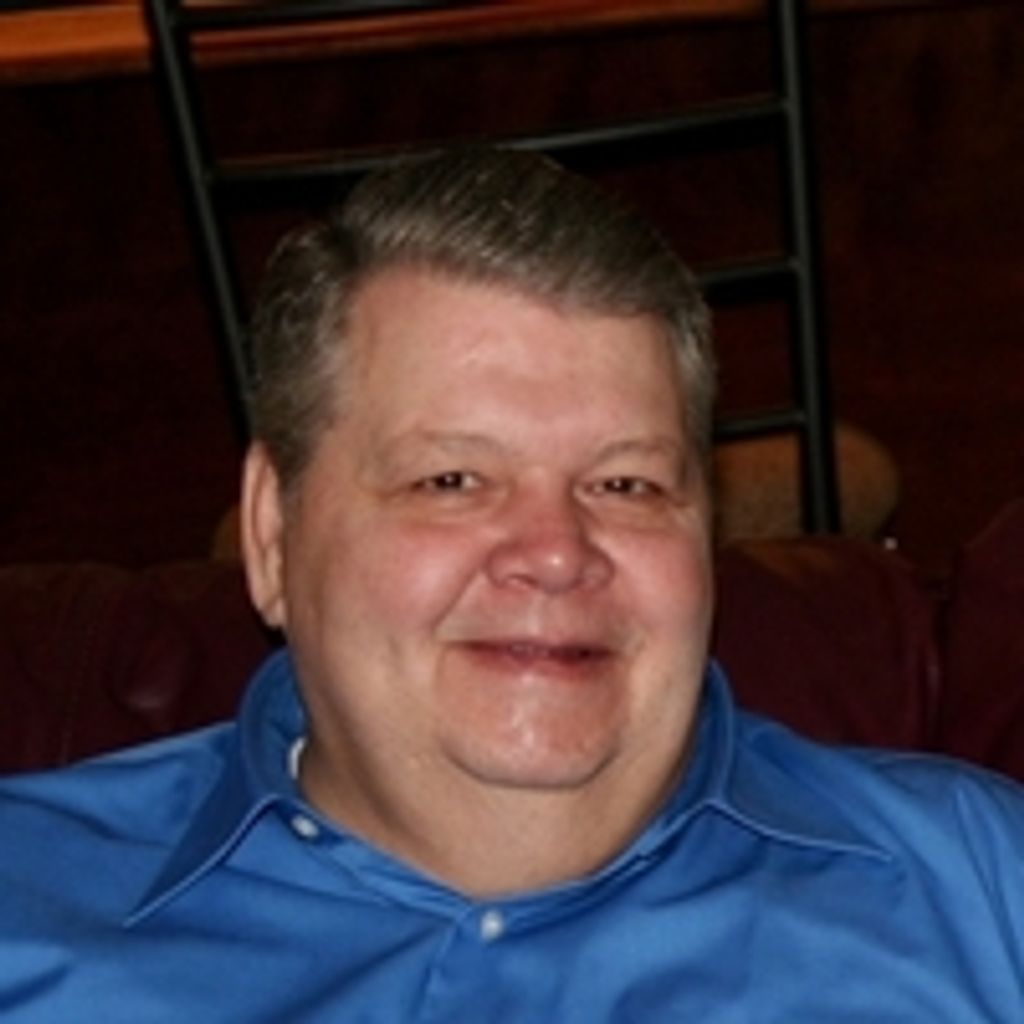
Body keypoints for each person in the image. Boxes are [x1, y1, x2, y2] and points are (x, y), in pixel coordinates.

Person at [1, 146, 1023, 1021]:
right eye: (452, 480)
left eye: (624, 484)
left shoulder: (982, 891)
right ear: (272, 533)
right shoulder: (25, 917)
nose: (556, 550)